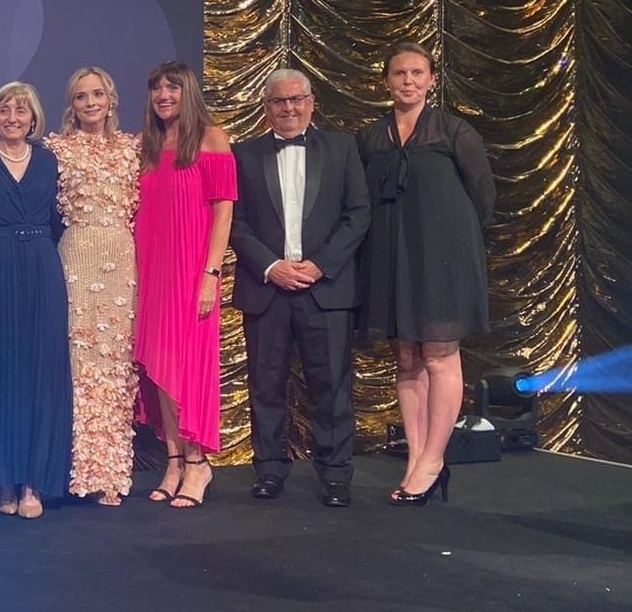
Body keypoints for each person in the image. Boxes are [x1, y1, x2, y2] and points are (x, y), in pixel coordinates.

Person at [358, 40, 495, 505]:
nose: (408, 81)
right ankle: (417, 459)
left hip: (444, 258)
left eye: (417, 73)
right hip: (392, 257)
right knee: (406, 358)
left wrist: (452, 240)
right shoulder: (371, 137)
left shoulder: (455, 131)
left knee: (439, 355)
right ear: (386, 81)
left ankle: (435, 459)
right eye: (400, 73)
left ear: (432, 80)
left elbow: (483, 197)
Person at [229, 68, 369, 507]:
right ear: (266, 107)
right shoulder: (243, 154)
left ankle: (336, 476)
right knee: (265, 386)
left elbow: (358, 213)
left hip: (325, 289)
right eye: (279, 101)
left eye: (296, 100)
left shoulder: (343, 148)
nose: (288, 108)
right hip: (266, 288)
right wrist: (272, 266)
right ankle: (269, 471)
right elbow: (234, 221)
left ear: (311, 102)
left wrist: (321, 265)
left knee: (332, 388)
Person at [134, 60, 236, 509]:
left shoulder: (212, 139)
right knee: (160, 367)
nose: (164, 95)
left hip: (192, 270)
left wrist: (211, 274)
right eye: (157, 88)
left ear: (187, 92)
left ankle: (198, 463)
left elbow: (224, 211)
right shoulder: (147, 146)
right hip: (152, 271)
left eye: (172, 87)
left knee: (188, 366)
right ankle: (174, 461)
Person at [0, 83, 72, 518]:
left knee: (40, 372)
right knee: (0, 372)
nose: (12, 118)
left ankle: (34, 481)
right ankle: (3, 479)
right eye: (5, 110)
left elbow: (60, 219)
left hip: (41, 266)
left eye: (21, 110)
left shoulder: (50, 160)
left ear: (34, 118)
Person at [45, 67, 140, 506]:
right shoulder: (57, 149)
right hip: (76, 255)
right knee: (77, 357)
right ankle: (75, 468)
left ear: (111, 99)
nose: (90, 103)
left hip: (120, 256)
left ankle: (110, 472)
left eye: (97, 94)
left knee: (116, 362)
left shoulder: (132, 148)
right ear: (72, 104)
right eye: (81, 96)